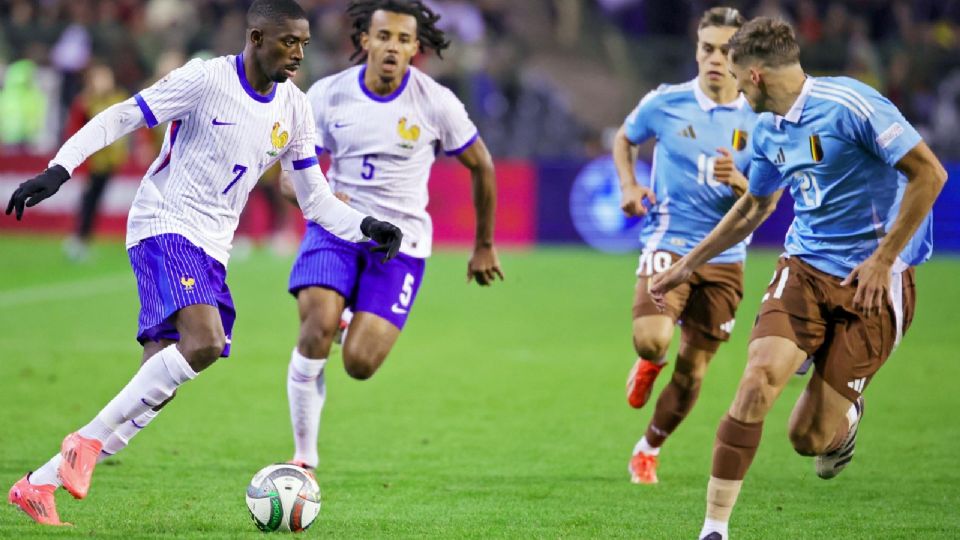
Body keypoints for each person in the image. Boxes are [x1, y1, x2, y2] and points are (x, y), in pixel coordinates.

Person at [4, 0, 402, 526]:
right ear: (256, 38)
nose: (299, 53)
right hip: (164, 223)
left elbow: (316, 201)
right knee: (205, 341)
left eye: (304, 43)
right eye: (289, 42)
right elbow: (124, 114)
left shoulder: (295, 108)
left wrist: (366, 226)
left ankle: (38, 484)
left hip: (214, 247)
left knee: (156, 386)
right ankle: (86, 443)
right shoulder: (204, 80)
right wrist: (59, 170)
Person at [648, 18, 947, 540]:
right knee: (756, 379)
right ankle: (714, 529)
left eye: (740, 78)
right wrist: (687, 263)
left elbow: (930, 174)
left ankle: (844, 420)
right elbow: (755, 206)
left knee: (808, 438)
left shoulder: (852, 105)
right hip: (804, 268)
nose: (736, 89)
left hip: (876, 279)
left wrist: (882, 259)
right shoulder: (765, 129)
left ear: (758, 75)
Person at [281, 0, 503, 473]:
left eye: (403, 39)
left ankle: (348, 324)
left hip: (400, 245)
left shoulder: (435, 102)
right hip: (337, 230)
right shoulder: (327, 95)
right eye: (384, 36)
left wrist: (483, 244)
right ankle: (303, 458)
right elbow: (288, 174)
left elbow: (482, 164)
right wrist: (317, 199)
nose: (392, 47)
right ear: (365, 40)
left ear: (415, 48)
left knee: (359, 364)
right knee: (316, 327)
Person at [613, 6, 756, 485]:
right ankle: (650, 361)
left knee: (693, 372)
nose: (715, 59)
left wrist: (739, 182)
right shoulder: (666, 103)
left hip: (726, 256)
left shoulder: (762, 118)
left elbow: (770, 196)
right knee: (651, 338)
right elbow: (625, 139)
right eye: (707, 48)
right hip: (669, 238)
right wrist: (629, 186)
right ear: (696, 50)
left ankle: (648, 448)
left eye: (726, 50)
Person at [62, 61, 130, 261]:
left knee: (95, 201)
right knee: (88, 201)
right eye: (100, 78)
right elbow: (75, 133)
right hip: (91, 162)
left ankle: (84, 239)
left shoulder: (118, 99)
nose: (104, 82)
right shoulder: (85, 103)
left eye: (106, 77)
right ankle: (77, 240)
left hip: (109, 161)